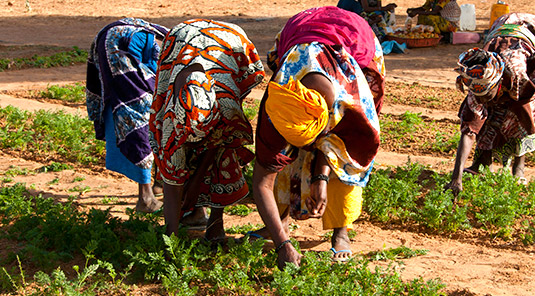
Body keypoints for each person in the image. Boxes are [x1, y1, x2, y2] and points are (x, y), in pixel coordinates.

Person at [251, 6, 384, 269]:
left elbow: (337, 143)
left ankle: (340, 231)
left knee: (345, 159)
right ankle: (280, 223)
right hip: (299, 32)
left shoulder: (351, 101)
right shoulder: (277, 104)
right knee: (284, 160)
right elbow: (262, 182)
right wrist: (282, 245)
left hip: (356, 38)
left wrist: (321, 178)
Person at [148, 19, 265, 242]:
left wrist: (194, 186)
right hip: (182, 38)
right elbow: (172, 185)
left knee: (224, 153)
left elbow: (222, 141)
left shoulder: (227, 108)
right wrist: (170, 240)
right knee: (173, 161)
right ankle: (189, 220)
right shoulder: (171, 120)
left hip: (230, 42)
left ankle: (215, 224)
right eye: (189, 142)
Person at [446, 13, 535, 196]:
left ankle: (519, 169)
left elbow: (524, 113)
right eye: (481, 96)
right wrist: (456, 178)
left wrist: (529, 130)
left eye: (488, 95)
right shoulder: (477, 78)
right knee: (484, 116)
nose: (484, 100)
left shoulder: (517, 73)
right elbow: (469, 130)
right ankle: (482, 163)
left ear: (498, 84)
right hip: (502, 26)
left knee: (514, 114)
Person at [86, 18, 167, 213]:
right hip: (124, 51)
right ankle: (146, 197)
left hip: (115, 44)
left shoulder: (165, 42)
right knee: (141, 122)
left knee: (150, 116)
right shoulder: (159, 46)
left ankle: (157, 184)